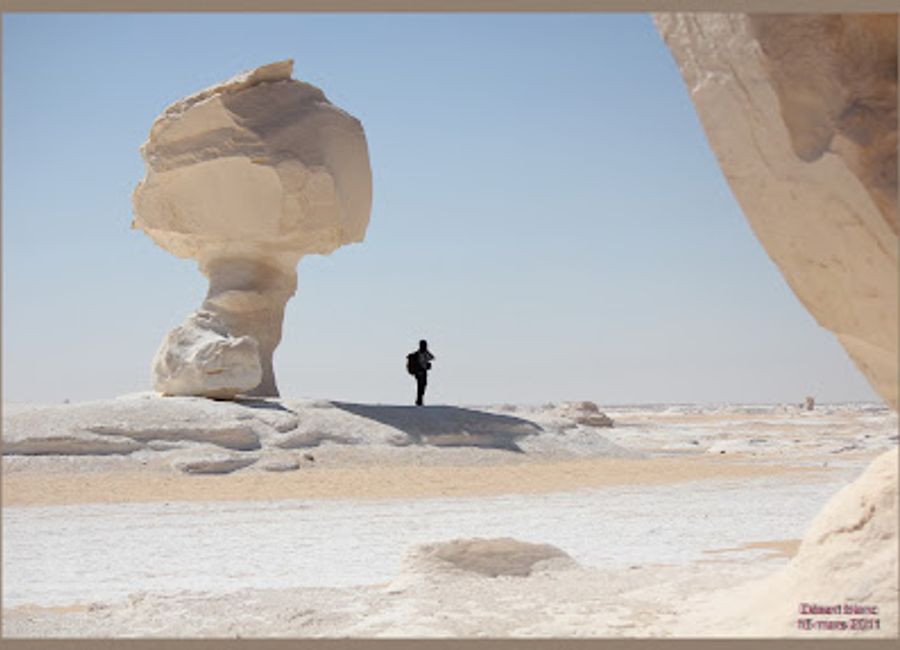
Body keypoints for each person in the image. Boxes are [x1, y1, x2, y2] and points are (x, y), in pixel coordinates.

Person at [408, 339, 435, 406]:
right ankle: (419, 400)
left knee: (422, 385)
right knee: (421, 386)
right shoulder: (418, 354)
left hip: (423, 371)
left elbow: (432, 357)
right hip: (420, 371)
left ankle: (419, 400)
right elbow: (431, 358)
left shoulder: (423, 353)